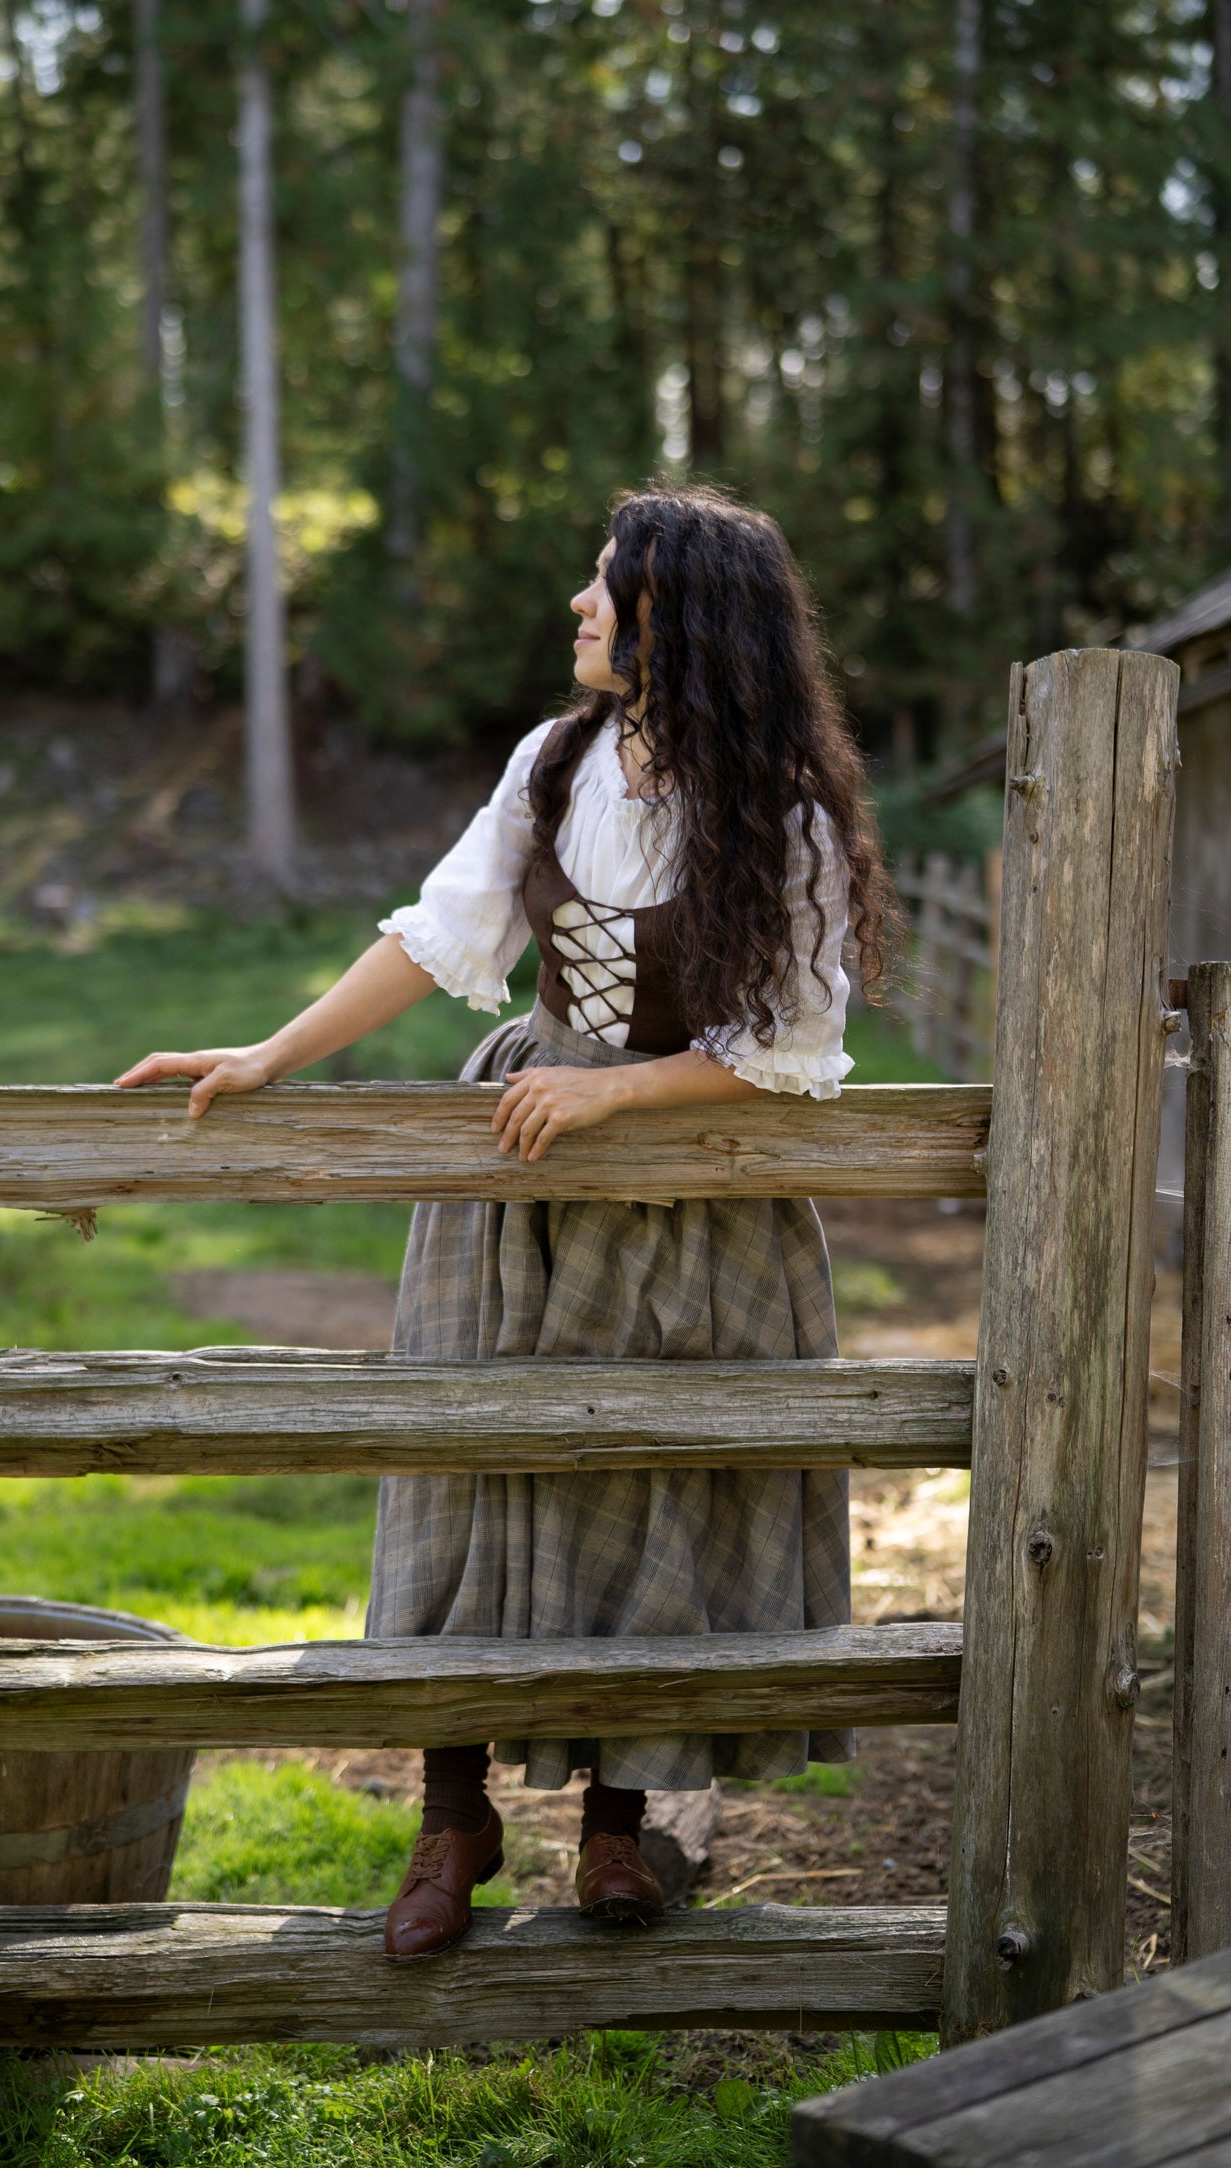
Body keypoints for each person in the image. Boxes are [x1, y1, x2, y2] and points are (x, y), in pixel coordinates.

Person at [115, 481, 892, 1963]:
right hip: (516, 1178)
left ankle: (620, 1826)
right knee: (475, 1462)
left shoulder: (778, 815)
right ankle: (450, 1814)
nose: (582, 609)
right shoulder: (553, 762)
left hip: (686, 1183)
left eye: (611, 588)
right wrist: (268, 1054)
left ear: (688, 621)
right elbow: (437, 933)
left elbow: (789, 1043)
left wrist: (617, 1095)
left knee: (653, 1468)